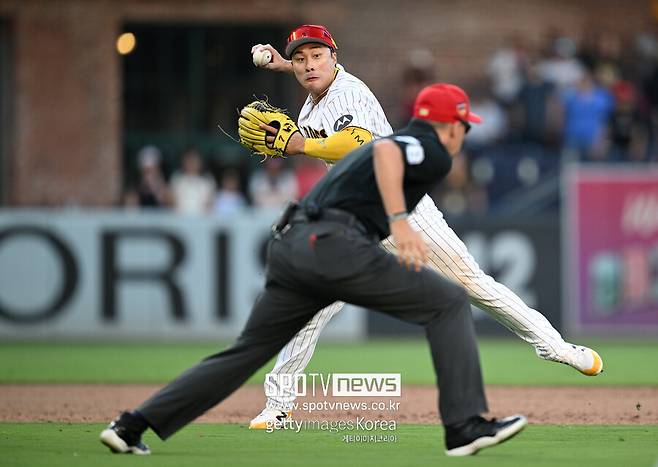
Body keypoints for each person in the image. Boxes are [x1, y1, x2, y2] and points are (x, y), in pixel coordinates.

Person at [100, 83, 527, 457]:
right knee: (450, 300)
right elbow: (386, 156)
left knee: (245, 352)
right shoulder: (429, 147)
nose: (464, 133)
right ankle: (464, 427)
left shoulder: (402, 141)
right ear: (448, 125)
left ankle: (130, 425)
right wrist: (399, 222)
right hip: (333, 245)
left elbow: (376, 153)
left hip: (291, 244)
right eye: (463, 124)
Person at [247, 24, 603, 430]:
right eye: (300, 59)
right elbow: (311, 84)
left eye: (317, 55)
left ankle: (555, 347)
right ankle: (279, 403)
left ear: (335, 56)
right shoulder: (310, 103)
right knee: (310, 304)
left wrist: (298, 145)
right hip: (352, 220)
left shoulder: (350, 92)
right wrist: (281, 65)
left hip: (404, 212)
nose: (309, 65)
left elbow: (356, 142)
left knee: (474, 286)